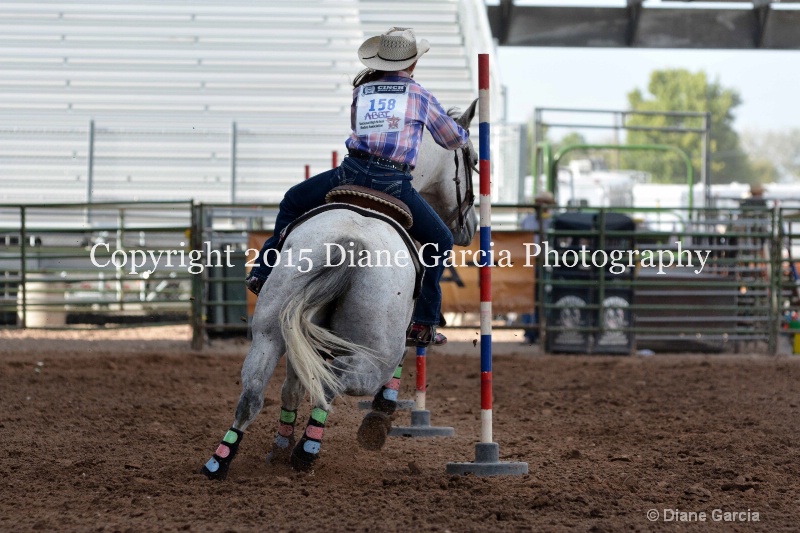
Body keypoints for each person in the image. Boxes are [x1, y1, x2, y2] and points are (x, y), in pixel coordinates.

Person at [245, 27, 470, 347]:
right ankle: (423, 320)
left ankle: (264, 273)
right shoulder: (419, 95)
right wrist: (464, 135)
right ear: (413, 63)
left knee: (293, 201)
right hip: (393, 182)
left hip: (350, 173)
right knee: (441, 240)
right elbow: (451, 139)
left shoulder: (362, 91)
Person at [520, 191, 556, 344]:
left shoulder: (552, 222)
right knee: (528, 296)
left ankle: (542, 331)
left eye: (543, 203)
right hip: (529, 261)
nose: (540, 206)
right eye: (539, 202)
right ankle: (530, 332)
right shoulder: (527, 221)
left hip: (545, 262)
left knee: (543, 297)